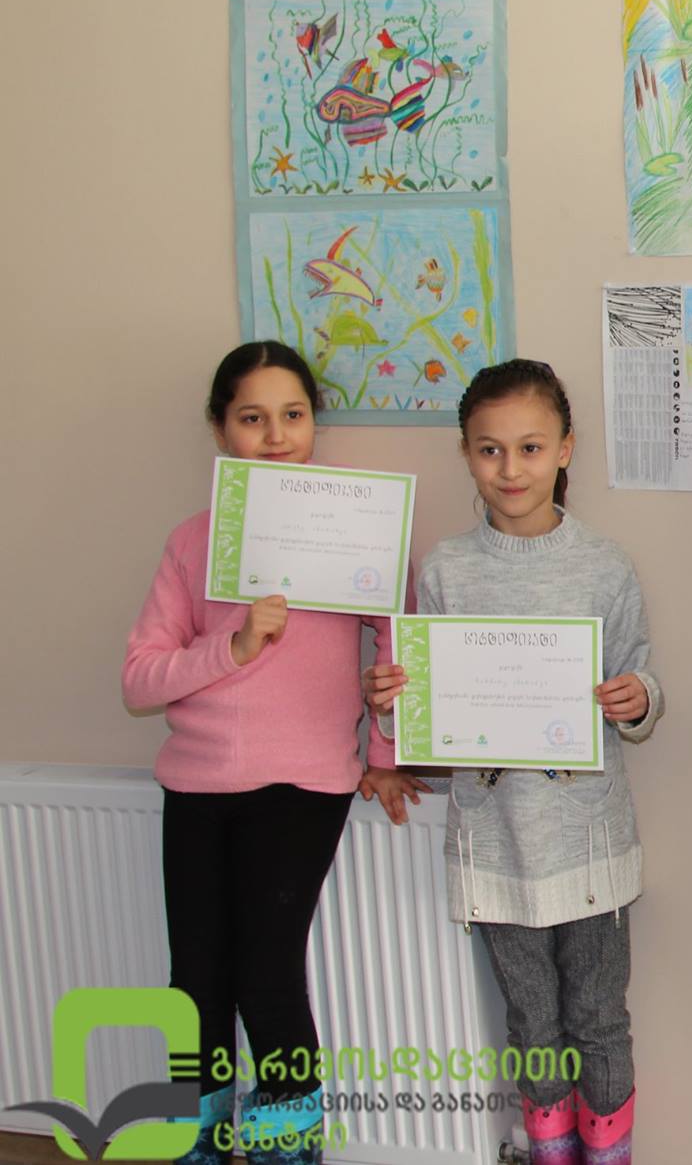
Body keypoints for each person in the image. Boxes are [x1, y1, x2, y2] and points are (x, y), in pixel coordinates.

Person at [363, 359, 661, 1165]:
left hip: (587, 841)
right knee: (531, 1023)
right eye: (489, 449)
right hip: (494, 842)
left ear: (565, 448)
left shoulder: (604, 564)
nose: (510, 468)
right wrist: (393, 701)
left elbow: (640, 677)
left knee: (599, 1021)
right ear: (466, 453)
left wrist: (638, 697)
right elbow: (431, 714)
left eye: (530, 447)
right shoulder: (445, 569)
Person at [123, 341, 409, 1165]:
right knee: (194, 980)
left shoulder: (356, 527)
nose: (277, 435)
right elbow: (140, 677)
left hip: (302, 785)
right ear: (221, 429)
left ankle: (288, 1144)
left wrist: (384, 750)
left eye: (293, 415)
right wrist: (234, 646)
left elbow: (401, 641)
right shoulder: (192, 542)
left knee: (267, 973)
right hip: (197, 787)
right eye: (253, 417)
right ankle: (199, 1140)